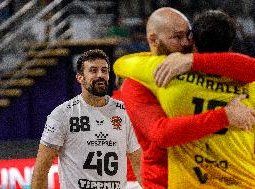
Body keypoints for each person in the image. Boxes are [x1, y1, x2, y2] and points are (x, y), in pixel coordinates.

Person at [113, 7, 255, 188]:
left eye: (188, 36)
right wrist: (225, 115)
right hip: (166, 182)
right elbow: (160, 133)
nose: (185, 44)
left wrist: (193, 61)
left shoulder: (204, 67)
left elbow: (121, 64)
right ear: (153, 40)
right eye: (177, 37)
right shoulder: (138, 82)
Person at [31, 49, 142, 189]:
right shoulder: (62, 115)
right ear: (80, 78)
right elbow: (41, 170)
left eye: (104, 70)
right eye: (93, 71)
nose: (100, 75)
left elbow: (139, 164)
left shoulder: (124, 112)